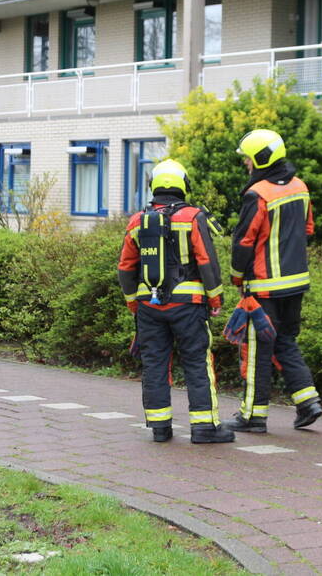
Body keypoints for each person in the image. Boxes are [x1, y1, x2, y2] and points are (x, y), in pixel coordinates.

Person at [117, 159, 235, 444]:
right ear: (183, 184)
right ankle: (204, 427)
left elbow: (125, 267)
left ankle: (160, 428)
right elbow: (207, 261)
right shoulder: (194, 217)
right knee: (196, 361)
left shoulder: (137, 221)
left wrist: (134, 302)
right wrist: (215, 298)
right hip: (189, 305)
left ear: (153, 186)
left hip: (149, 306)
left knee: (155, 363)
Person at [226, 129, 322, 434]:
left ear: (260, 159)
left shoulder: (258, 194)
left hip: (265, 286)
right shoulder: (300, 187)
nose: (246, 165)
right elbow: (308, 229)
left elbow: (244, 242)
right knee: (285, 341)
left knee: (257, 351)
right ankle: (308, 403)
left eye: (248, 159)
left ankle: (253, 416)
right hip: (296, 283)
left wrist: (238, 277)